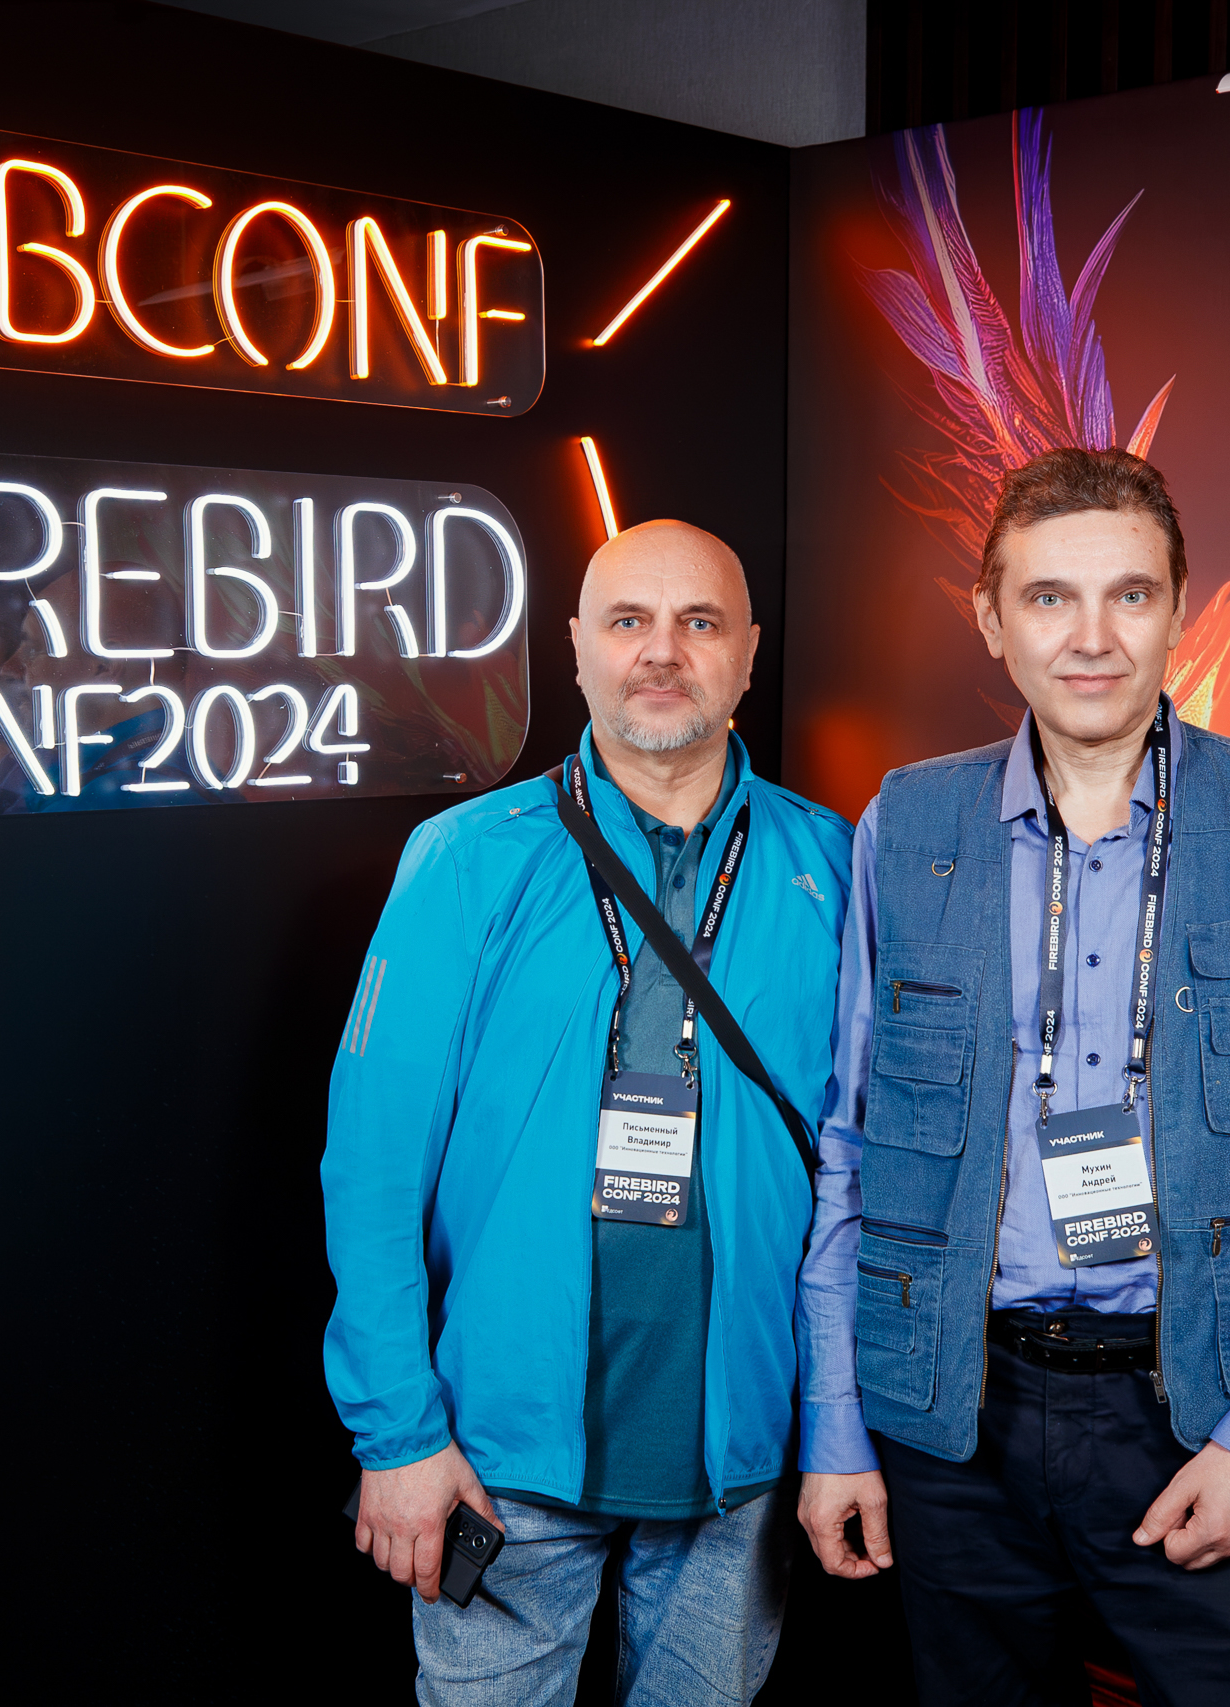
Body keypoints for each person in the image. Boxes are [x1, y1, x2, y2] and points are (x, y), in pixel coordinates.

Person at [794, 448, 1230, 1705]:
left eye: (1129, 595)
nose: (1091, 638)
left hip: (1210, 1412)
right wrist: (837, 1425)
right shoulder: (903, 827)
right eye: (1048, 598)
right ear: (990, 618)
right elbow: (850, 1150)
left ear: (1178, 607)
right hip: (952, 1422)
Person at [324, 520, 854, 1705]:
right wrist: (397, 1434)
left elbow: (859, 1179)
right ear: (575, 649)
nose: (661, 652)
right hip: (499, 1452)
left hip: (740, 1451)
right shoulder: (465, 859)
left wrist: (837, 1431)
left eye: (698, 623)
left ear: (748, 652)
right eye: (628, 621)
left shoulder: (831, 865)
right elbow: (371, 1171)